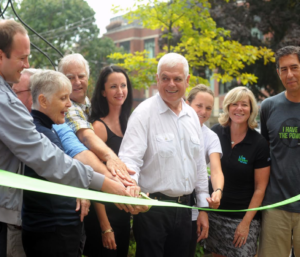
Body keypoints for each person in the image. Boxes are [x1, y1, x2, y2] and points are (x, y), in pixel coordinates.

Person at [0, 20, 129, 257]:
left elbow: (73, 147)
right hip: (42, 229)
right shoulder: (6, 102)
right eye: (22, 58)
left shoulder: (53, 122)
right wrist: (105, 183)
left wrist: (99, 177)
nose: (27, 64)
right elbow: (47, 156)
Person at [118, 53, 210, 257]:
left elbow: (199, 166)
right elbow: (130, 159)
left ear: (187, 81)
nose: (171, 84)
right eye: (165, 78)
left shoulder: (192, 117)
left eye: (177, 79)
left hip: (186, 209)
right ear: (157, 79)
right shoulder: (143, 114)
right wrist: (131, 187)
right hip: (152, 210)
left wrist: (203, 208)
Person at [21, 70, 90, 256]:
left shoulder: (49, 129)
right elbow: (63, 171)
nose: (69, 104)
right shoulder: (38, 133)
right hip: (52, 233)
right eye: (63, 98)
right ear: (43, 101)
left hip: (59, 230)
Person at [205, 86, 270, 257]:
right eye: (234, 104)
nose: (239, 108)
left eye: (244, 104)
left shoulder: (259, 143)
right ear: (227, 107)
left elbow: (260, 188)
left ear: (251, 109)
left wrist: (246, 222)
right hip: (216, 214)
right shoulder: (216, 133)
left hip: (243, 218)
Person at [58, 54, 134, 185]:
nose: (77, 82)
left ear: (88, 78)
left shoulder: (90, 105)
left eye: (81, 76)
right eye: (70, 78)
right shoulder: (68, 108)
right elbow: (86, 136)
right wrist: (111, 158)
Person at [84, 66, 133, 257]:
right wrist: (105, 227)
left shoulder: (130, 123)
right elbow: (94, 179)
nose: (120, 91)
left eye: (123, 85)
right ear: (103, 92)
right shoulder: (98, 127)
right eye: (113, 86)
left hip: (123, 210)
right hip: (104, 213)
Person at [258, 46, 300, 257]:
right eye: (284, 69)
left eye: (294, 67)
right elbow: (263, 152)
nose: (289, 74)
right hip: (275, 205)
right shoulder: (268, 107)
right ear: (278, 73)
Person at [186, 84, 224, 257]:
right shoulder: (175, 127)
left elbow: (215, 170)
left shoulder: (211, 136)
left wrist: (217, 191)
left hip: (193, 207)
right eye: (199, 105)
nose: (203, 111)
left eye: (208, 108)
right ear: (188, 103)